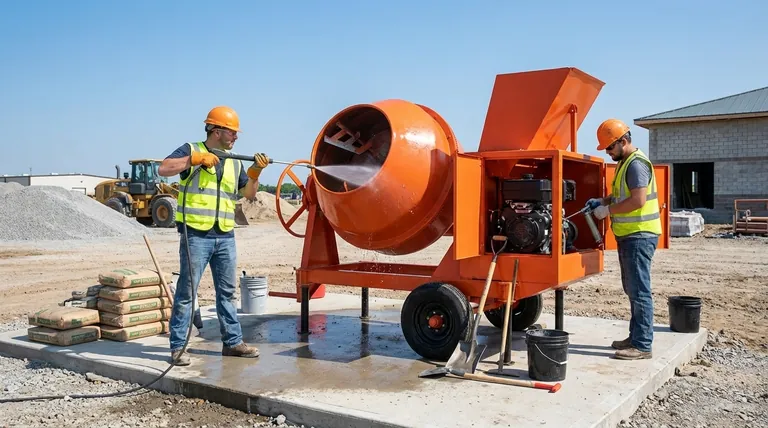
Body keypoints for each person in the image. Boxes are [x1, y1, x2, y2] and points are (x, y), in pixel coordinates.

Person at [158, 106, 270, 366]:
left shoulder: (233, 160)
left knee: (227, 293)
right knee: (187, 292)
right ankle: (178, 347)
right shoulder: (191, 148)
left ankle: (232, 343)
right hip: (196, 233)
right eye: (232, 132)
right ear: (216, 131)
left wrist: (255, 173)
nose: (236, 137)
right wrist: (195, 160)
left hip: (225, 233)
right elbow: (164, 169)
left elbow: (249, 194)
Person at [587, 118, 662, 361]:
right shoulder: (625, 162)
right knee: (632, 289)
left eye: (610, 147)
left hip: (639, 235)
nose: (608, 153)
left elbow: (637, 201)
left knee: (639, 290)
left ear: (624, 141)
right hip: (631, 236)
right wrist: (603, 201)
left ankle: (642, 345)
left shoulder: (635, 165)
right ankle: (636, 337)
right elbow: (621, 195)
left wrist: (607, 211)